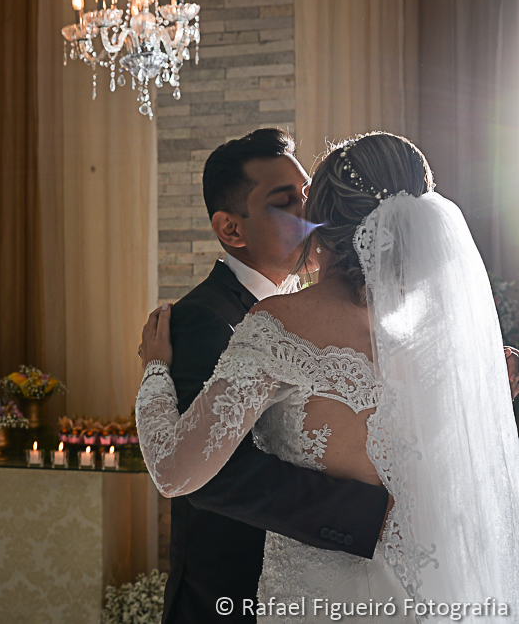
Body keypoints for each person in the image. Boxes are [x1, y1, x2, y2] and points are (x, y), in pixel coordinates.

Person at [138, 131, 519, 622]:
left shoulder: (279, 324)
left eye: (305, 201)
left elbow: (173, 469)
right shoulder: (443, 334)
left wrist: (153, 373)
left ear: (325, 221)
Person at [144, 128, 391, 623]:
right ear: (232, 229)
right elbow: (213, 479)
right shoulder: (203, 318)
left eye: (310, 196)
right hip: (231, 592)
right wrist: (362, 514)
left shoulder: (340, 311)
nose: (312, 214)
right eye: (287, 203)